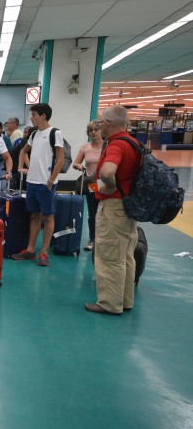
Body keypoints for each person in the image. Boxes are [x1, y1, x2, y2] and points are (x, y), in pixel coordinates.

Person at [85, 105, 142, 316]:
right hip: (128, 208)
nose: (100, 127)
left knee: (109, 257)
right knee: (126, 256)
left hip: (113, 207)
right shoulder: (134, 143)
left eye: (101, 123)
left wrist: (109, 186)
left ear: (107, 124)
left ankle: (110, 303)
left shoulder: (117, 145)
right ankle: (125, 301)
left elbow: (108, 172)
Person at [11, 103, 65, 266]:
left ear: (43, 115)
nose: (31, 117)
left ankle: (43, 252)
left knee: (47, 217)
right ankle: (30, 250)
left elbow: (60, 160)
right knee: (34, 215)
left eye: (34, 114)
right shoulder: (34, 135)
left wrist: (50, 180)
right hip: (32, 182)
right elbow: (23, 151)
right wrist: (23, 167)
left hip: (45, 184)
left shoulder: (55, 133)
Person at [72, 120, 103, 251]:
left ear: (102, 131)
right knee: (93, 212)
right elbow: (75, 163)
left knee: (107, 212)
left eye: (96, 129)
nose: (94, 132)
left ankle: (104, 239)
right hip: (92, 184)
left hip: (106, 183)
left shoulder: (108, 146)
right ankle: (93, 239)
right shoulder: (85, 147)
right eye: (91, 130)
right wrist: (79, 166)